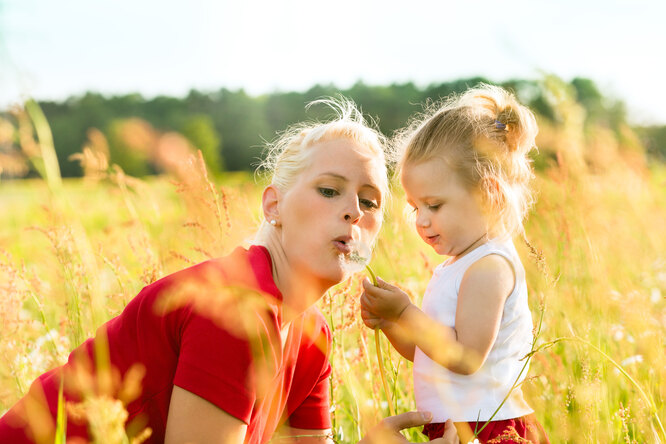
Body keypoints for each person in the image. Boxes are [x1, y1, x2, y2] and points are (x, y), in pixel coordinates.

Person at [0, 98, 458, 444]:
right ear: (273, 205)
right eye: (328, 190)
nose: (353, 212)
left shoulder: (313, 337)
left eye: (369, 201)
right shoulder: (233, 307)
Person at [360, 85, 550, 443]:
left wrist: (405, 313)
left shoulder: (489, 267)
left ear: (488, 195)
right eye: (416, 207)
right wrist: (391, 324)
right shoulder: (460, 264)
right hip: (460, 423)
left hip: (489, 425)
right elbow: (432, 355)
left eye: (435, 205)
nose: (422, 221)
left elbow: (464, 358)